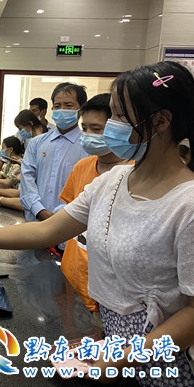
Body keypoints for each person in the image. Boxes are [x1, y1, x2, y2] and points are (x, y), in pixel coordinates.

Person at [0, 61, 194, 387]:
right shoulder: (113, 182)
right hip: (118, 352)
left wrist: (125, 357)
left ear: (160, 121)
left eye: (120, 116)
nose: (110, 126)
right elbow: (48, 230)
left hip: (168, 366)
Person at [58, 93, 131, 319]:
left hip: (108, 293)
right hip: (73, 277)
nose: (88, 135)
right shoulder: (82, 166)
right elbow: (68, 222)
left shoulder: (135, 173)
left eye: (96, 129)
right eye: (85, 128)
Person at [20, 82, 89, 223]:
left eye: (68, 105)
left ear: (81, 110)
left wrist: (61, 215)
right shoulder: (36, 143)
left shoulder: (88, 146)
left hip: (71, 224)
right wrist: (39, 210)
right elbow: (27, 179)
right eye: (57, 106)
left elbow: (87, 188)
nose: (62, 110)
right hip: (35, 223)